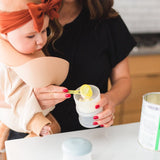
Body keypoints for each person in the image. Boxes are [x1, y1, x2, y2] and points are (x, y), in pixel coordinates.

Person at [0, 0, 136, 139]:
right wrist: (29, 100)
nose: (40, 39)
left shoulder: (108, 21)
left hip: (92, 136)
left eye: (43, 32)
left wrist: (110, 99)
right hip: (31, 140)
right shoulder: (24, 15)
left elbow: (123, 79)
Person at [0, 0, 69, 154]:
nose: (41, 41)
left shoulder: (24, 47)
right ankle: (24, 149)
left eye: (44, 31)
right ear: (4, 34)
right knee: (52, 128)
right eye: (31, 36)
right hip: (21, 113)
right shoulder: (8, 60)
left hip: (8, 116)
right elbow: (16, 95)